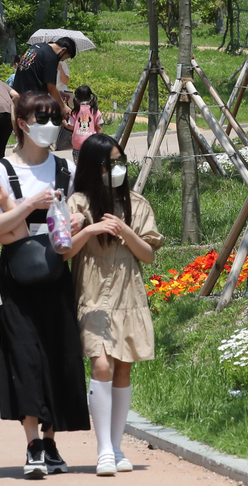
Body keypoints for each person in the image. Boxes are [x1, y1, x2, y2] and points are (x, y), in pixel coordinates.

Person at [0, 90, 89, 478]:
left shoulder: (66, 170)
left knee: (60, 354)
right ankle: (32, 444)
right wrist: (29, 206)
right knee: (25, 357)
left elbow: (76, 214)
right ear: (22, 124)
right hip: (17, 278)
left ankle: (51, 441)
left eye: (54, 117)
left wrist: (75, 221)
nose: (49, 125)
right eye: (40, 118)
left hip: (57, 271)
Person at [64, 134, 161, 475]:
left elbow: (148, 255)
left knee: (123, 367)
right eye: (109, 163)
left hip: (128, 296)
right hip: (91, 296)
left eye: (120, 162)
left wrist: (125, 230)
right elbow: (64, 252)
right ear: (93, 168)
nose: (116, 169)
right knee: (101, 366)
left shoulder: (137, 203)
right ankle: (104, 448)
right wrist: (89, 230)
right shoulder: (77, 203)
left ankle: (118, 446)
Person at [13, 36, 78, 116]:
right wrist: (63, 106)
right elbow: (51, 87)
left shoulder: (34, 47)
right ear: (63, 50)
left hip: (18, 96)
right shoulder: (51, 56)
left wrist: (58, 94)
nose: (62, 60)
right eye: (65, 57)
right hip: (33, 101)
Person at [68, 86, 103, 152]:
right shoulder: (95, 111)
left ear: (77, 99)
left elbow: (71, 127)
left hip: (77, 144)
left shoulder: (75, 111)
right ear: (90, 98)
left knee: (78, 162)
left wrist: (64, 124)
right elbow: (99, 127)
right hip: (91, 144)